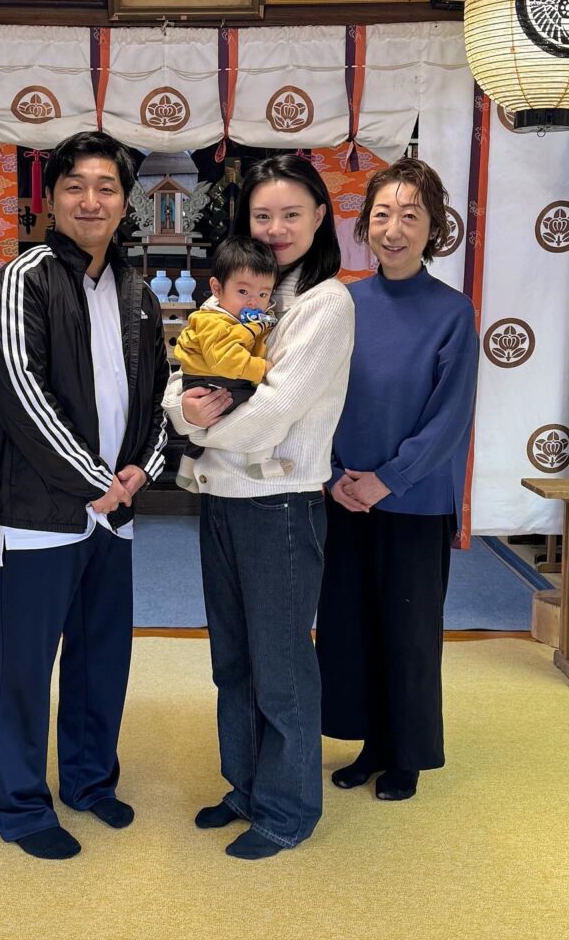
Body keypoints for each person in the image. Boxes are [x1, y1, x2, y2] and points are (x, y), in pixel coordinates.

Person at [0, 131, 169, 861]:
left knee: (100, 658)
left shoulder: (137, 290)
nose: (92, 200)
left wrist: (140, 471)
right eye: (75, 187)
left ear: (127, 202)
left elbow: (154, 400)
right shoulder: (23, 275)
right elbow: (21, 393)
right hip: (39, 515)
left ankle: (90, 781)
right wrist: (95, 482)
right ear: (49, 200)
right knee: (24, 669)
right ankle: (23, 806)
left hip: (111, 514)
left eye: (107, 188)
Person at [162, 154, 354, 859]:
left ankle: (287, 808)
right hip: (218, 499)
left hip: (279, 505)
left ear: (320, 218)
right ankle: (244, 785)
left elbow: (273, 413)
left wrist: (191, 425)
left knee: (280, 666)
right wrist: (183, 409)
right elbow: (183, 372)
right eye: (263, 216)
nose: (274, 229)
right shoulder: (239, 293)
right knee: (233, 662)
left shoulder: (324, 304)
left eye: (290, 215)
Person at [317, 157, 478, 802]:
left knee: (408, 629)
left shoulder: (452, 312)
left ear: (432, 227)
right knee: (350, 624)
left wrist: (388, 479)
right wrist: (333, 477)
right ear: (365, 225)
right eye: (382, 213)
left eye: (410, 215)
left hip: (413, 499)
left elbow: (450, 417)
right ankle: (369, 743)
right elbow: (316, 398)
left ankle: (405, 752)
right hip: (343, 498)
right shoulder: (343, 303)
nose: (393, 228)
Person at [174, 235, 292, 492]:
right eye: (243, 291)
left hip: (213, 379)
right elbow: (225, 360)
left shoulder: (240, 318)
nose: (253, 301)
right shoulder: (212, 320)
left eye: (263, 293)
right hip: (211, 380)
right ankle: (258, 461)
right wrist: (262, 369)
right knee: (260, 408)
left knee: (211, 421)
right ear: (217, 289)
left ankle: (185, 471)